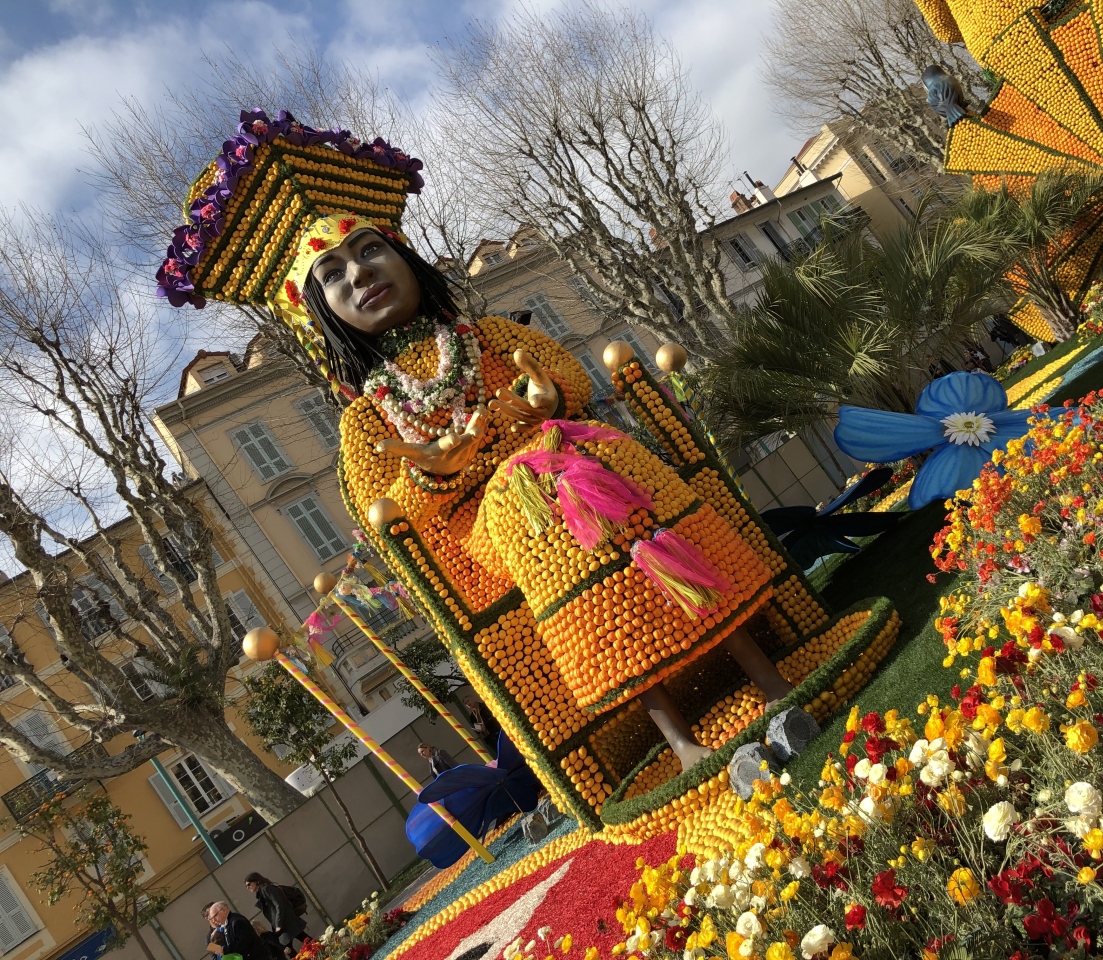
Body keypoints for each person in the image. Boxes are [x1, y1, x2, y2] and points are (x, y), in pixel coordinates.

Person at [160, 113, 794, 773]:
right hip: (482, 532)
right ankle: (678, 739)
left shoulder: (488, 337)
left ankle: (766, 672)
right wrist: (434, 472)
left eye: (369, 251)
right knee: (535, 496)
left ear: (405, 259)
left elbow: (568, 377)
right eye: (333, 275)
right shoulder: (367, 419)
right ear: (322, 314)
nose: (361, 275)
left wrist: (543, 397)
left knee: (608, 465)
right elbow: (384, 514)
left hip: (575, 459)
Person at [244, 873, 307, 958]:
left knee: (298, 943)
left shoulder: (267, 889)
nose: (248, 887)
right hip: (284, 925)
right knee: (296, 944)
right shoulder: (262, 893)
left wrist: (279, 924)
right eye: (246, 886)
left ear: (256, 881)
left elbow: (279, 905)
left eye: (249, 884)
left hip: (286, 923)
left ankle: (320, 951)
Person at [205, 901, 271, 960]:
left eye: (215, 916)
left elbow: (244, 942)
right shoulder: (210, 935)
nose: (214, 920)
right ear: (207, 919)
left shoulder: (236, 921)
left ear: (224, 910)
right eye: (211, 918)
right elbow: (213, 952)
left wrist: (225, 949)